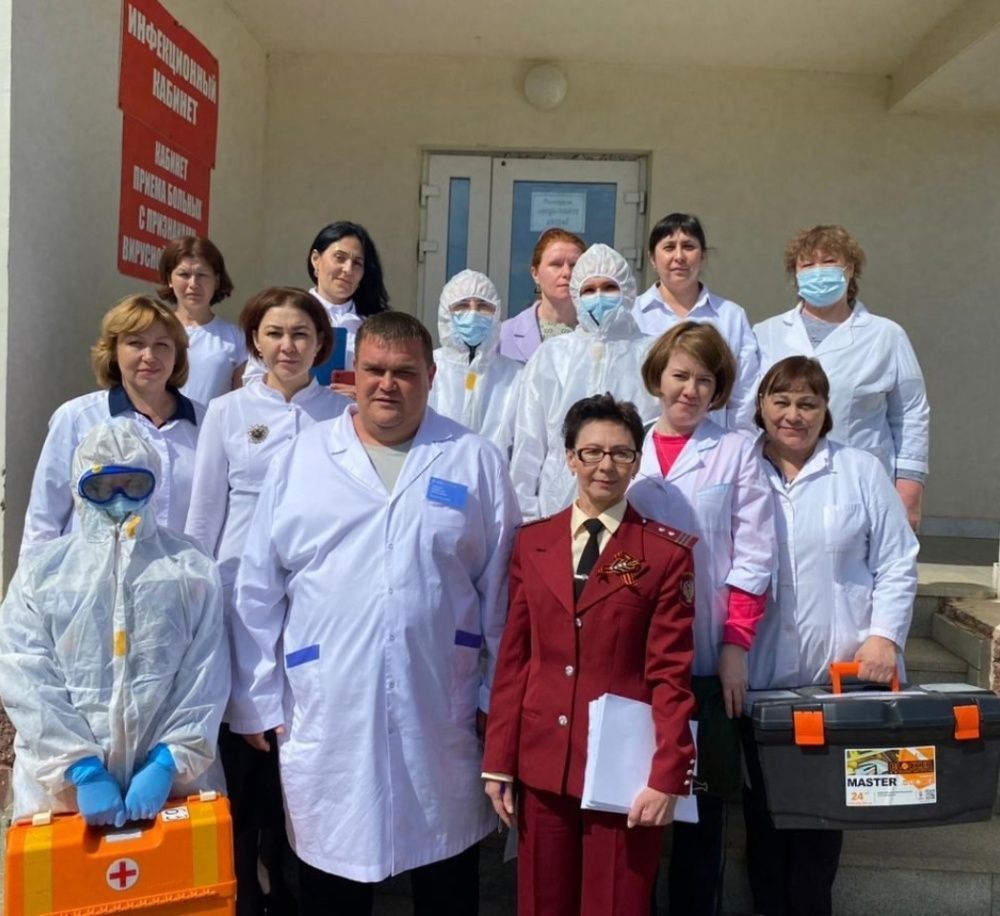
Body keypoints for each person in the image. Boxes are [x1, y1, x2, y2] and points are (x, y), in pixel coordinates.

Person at [227, 311, 520, 915]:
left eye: (404, 372)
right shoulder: (302, 457)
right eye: (375, 370)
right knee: (334, 869)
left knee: (446, 871)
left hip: (440, 699)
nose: (388, 384)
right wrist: (256, 699)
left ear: (431, 375)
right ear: (353, 374)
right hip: (328, 699)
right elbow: (258, 587)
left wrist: (496, 695)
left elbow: (502, 595)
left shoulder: (473, 460)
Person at [482, 393, 697, 916]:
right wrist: (499, 762)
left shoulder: (663, 554)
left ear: (637, 462)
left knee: (617, 904)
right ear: (570, 458)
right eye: (593, 452)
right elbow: (515, 659)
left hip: (623, 773)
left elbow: (670, 674)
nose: (606, 465)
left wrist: (669, 773)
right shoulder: (533, 543)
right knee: (542, 903)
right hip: (543, 763)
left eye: (621, 453)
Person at [185, 287, 348, 915]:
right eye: (275, 333)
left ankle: (293, 879)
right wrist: (197, 598)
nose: (287, 346)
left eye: (301, 334)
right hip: (238, 602)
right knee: (244, 745)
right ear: (254, 339)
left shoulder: (341, 414)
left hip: (313, 599)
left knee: (301, 740)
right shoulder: (227, 412)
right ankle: (245, 884)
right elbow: (204, 516)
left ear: (321, 343)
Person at [743, 356, 919, 916]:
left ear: (825, 411)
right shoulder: (741, 467)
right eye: (781, 401)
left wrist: (884, 637)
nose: (793, 415)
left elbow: (897, 561)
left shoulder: (860, 470)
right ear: (761, 406)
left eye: (808, 403)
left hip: (838, 684)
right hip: (759, 679)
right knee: (763, 823)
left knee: (822, 826)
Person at [0, 420, 228, 825]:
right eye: (102, 487)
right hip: (61, 792)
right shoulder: (43, 573)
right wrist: (79, 766)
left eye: (134, 484)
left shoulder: (189, 568)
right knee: (60, 869)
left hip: (173, 789)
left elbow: (205, 674)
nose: (119, 499)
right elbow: (25, 673)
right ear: (79, 488)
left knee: (176, 869)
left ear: (154, 483)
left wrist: (169, 759)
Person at [626, 322, 776, 916]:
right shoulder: (627, 445)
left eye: (705, 381)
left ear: (719, 391)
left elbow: (755, 554)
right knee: (632, 802)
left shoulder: (736, 451)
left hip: (707, 652)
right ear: (657, 377)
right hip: (632, 652)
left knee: (701, 811)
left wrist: (735, 644)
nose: (690, 390)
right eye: (680, 375)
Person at [753, 225, 930, 529]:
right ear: (795, 273)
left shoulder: (886, 335)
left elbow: (911, 414)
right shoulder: (765, 334)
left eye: (829, 262)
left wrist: (909, 488)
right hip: (778, 483)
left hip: (862, 486)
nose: (818, 271)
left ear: (850, 270)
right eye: (808, 264)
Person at [21, 295, 201, 561]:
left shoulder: (206, 423)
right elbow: (44, 517)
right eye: (136, 343)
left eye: (162, 345)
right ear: (114, 351)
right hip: (92, 578)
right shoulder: (77, 417)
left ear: (178, 355)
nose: (149, 356)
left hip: (181, 578)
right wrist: (33, 578)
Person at [510, 243, 659, 520]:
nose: (599, 296)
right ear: (577, 295)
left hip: (632, 499)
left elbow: (656, 435)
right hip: (558, 502)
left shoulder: (651, 354)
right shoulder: (553, 354)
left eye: (609, 287)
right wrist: (527, 515)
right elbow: (529, 442)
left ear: (627, 291)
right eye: (589, 290)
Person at [632, 213, 760, 430]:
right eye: (669, 247)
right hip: (646, 441)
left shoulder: (731, 316)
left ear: (703, 256)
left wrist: (739, 442)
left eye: (688, 246)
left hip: (714, 442)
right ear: (652, 258)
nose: (679, 256)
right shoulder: (632, 315)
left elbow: (744, 395)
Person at [428, 269, 522, 455]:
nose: (473, 314)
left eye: (483, 307)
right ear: (446, 312)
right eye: (462, 306)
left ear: (496, 313)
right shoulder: (428, 367)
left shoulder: (515, 376)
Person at [158, 236, 246, 406]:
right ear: (170, 279)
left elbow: (240, 403)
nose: (193, 284)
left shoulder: (236, 338)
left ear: (217, 281)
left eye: (202, 275)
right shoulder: (154, 330)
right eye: (184, 274)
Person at [499, 227, 585, 363]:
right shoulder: (503, 336)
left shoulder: (602, 334)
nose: (567, 273)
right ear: (535, 273)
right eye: (556, 264)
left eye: (574, 265)